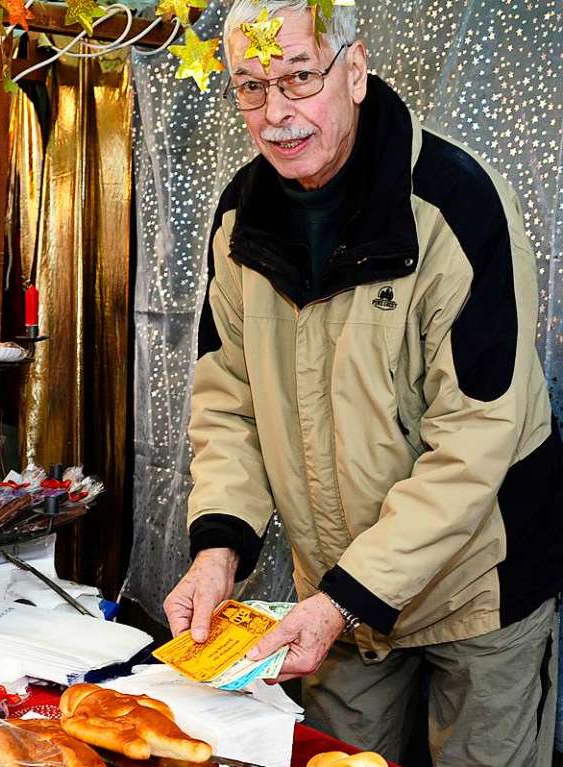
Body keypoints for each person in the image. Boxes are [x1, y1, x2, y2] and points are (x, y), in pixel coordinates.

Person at [162, 1, 563, 765]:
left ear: (355, 70)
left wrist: (346, 596)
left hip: (480, 584)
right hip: (340, 596)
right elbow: (228, 406)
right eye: (250, 86)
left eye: (298, 77)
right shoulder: (240, 219)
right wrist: (218, 547)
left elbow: (478, 436)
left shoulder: (456, 205)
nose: (276, 113)